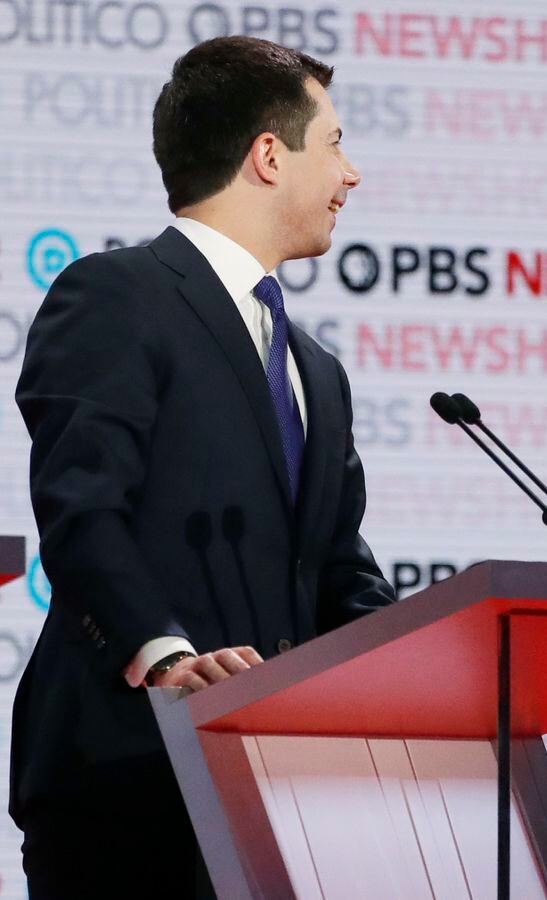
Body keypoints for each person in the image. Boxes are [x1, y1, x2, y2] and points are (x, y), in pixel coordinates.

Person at [11, 36, 396, 897]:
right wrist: (166, 654)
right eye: (334, 142)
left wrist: (429, 676)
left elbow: (337, 570)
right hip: (130, 777)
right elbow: (82, 509)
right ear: (269, 155)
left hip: (281, 796)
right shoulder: (115, 294)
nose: (352, 172)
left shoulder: (318, 372)